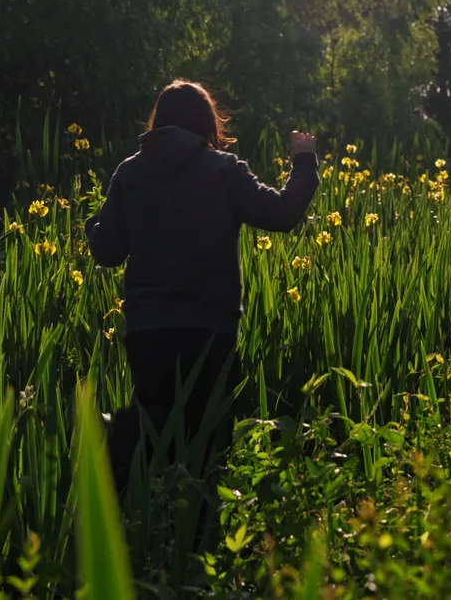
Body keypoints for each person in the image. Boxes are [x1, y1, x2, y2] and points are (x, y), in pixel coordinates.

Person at [85, 79, 320, 490]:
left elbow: (106, 251)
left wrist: (92, 225)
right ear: (207, 123)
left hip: (148, 326)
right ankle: (198, 530)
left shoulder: (131, 171)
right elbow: (282, 214)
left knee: (154, 422)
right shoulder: (223, 170)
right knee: (207, 436)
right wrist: (304, 163)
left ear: (158, 122)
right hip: (209, 327)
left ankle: (127, 484)